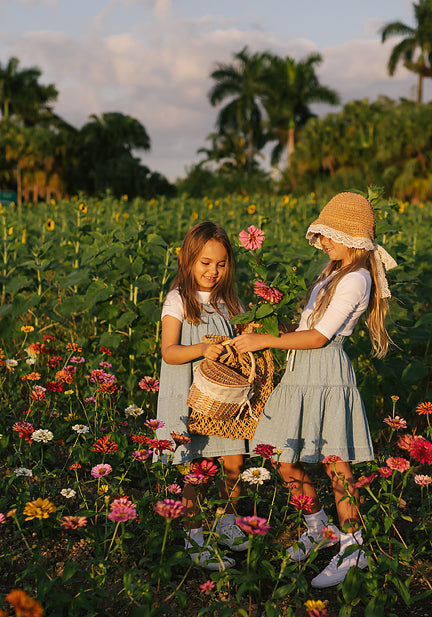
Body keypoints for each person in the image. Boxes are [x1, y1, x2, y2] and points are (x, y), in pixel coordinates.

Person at [231, 192, 396, 588]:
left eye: (329, 234)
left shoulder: (357, 278)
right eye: (321, 234)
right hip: (300, 372)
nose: (322, 241)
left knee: (337, 466)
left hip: (325, 374)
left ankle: (354, 548)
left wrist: (266, 343)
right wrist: (273, 330)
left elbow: (321, 337)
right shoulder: (331, 273)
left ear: (352, 236)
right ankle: (318, 527)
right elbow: (306, 329)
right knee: (281, 454)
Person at [155, 221, 250, 571]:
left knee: (233, 460)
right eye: (205, 262)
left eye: (221, 264)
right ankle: (194, 537)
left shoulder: (229, 301)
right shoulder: (178, 300)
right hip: (191, 397)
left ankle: (226, 523)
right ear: (188, 260)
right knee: (196, 468)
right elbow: (169, 352)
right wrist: (201, 349)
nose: (213, 271)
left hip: (224, 398)